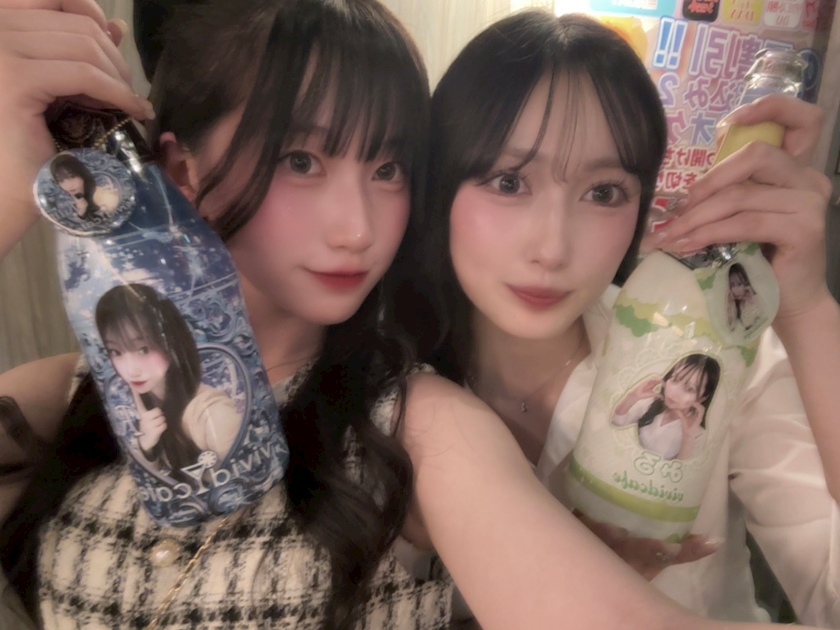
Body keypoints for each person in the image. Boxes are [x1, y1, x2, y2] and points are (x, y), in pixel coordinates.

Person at [0, 2, 833, 630]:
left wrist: (806, 305)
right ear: (179, 168)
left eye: (388, 167)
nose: (358, 229)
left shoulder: (421, 423)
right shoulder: (66, 396)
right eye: (301, 159)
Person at [396, 9, 840, 625]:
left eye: (603, 192)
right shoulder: (382, 389)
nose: (552, 248)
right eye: (508, 182)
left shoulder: (712, 356)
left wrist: (808, 309)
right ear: (439, 185)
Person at [96, 283, 241, 475]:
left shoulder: (211, 413)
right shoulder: (141, 405)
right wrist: (147, 447)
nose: (131, 370)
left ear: (171, 343)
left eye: (144, 349)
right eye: (116, 352)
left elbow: (248, 473)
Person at [611, 354, 720, 461]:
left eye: (689, 389)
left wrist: (687, 438)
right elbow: (615, 428)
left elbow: (682, 471)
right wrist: (631, 397)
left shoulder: (697, 434)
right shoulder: (649, 403)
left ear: (702, 398)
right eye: (675, 379)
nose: (674, 391)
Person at [50, 152, 102, 219]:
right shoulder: (62, 201)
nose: (68, 185)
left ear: (81, 173)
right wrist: (81, 212)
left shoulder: (100, 194)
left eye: (72, 177)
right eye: (61, 180)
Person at [726, 262, 762, 331]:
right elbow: (731, 327)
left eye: (739, 284)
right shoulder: (734, 305)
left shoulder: (754, 298)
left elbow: (760, 318)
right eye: (732, 285)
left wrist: (753, 302)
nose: (736, 290)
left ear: (746, 283)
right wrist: (728, 308)